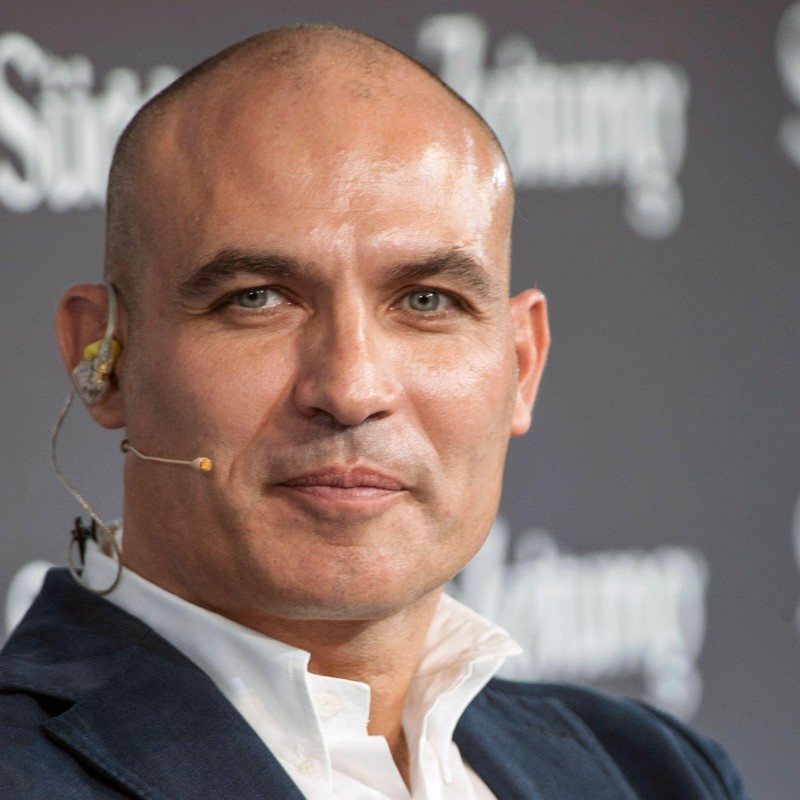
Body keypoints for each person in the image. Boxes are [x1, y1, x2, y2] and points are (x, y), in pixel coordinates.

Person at [0, 25, 748, 799]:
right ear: (104, 360)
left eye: (427, 301)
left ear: (521, 367)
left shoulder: (656, 773)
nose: (351, 389)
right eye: (257, 298)